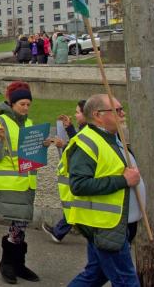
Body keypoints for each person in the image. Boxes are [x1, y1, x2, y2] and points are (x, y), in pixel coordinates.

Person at [61, 94, 143, 287]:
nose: (123, 114)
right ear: (98, 115)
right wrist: (123, 180)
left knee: (94, 276)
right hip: (104, 225)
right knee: (127, 282)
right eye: (117, 110)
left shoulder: (112, 137)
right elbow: (79, 185)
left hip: (114, 223)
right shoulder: (86, 143)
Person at [0, 81, 40, 284]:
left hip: (26, 183)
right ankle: (8, 262)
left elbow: (31, 154)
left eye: (28, 104)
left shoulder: (29, 123)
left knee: (22, 224)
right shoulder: (0, 122)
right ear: (12, 103)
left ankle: (16, 263)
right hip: (10, 183)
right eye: (22, 104)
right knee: (18, 223)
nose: (26, 108)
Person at [42, 99, 87, 242]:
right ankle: (59, 231)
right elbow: (78, 142)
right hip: (82, 174)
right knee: (76, 205)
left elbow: (81, 150)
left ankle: (59, 231)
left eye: (78, 112)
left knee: (77, 205)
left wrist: (64, 145)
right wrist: (69, 128)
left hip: (83, 174)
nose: (75, 115)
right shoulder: (86, 129)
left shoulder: (89, 130)